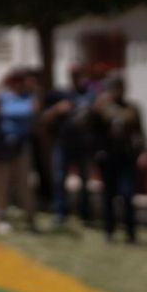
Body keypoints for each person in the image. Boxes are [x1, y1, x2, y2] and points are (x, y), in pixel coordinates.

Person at [92, 73, 147, 244]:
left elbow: (140, 131)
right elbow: (92, 128)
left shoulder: (132, 109)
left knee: (127, 194)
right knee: (109, 195)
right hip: (108, 156)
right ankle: (109, 231)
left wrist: (144, 151)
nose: (117, 90)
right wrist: (96, 109)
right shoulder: (102, 108)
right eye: (114, 87)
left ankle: (131, 233)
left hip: (127, 156)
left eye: (119, 87)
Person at [0, 67, 39, 233]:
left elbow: (35, 110)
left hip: (21, 146)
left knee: (24, 184)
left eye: (20, 81)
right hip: (3, 145)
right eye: (15, 81)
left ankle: (30, 219)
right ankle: (2, 216)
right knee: (2, 183)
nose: (17, 84)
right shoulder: (4, 96)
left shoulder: (28, 97)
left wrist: (33, 88)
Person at [44, 65, 95, 226]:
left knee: (85, 182)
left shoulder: (90, 95)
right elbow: (44, 118)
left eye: (78, 73)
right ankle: (60, 213)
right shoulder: (59, 94)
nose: (75, 77)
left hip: (83, 145)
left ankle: (85, 214)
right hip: (63, 143)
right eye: (72, 74)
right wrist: (56, 110)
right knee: (59, 179)